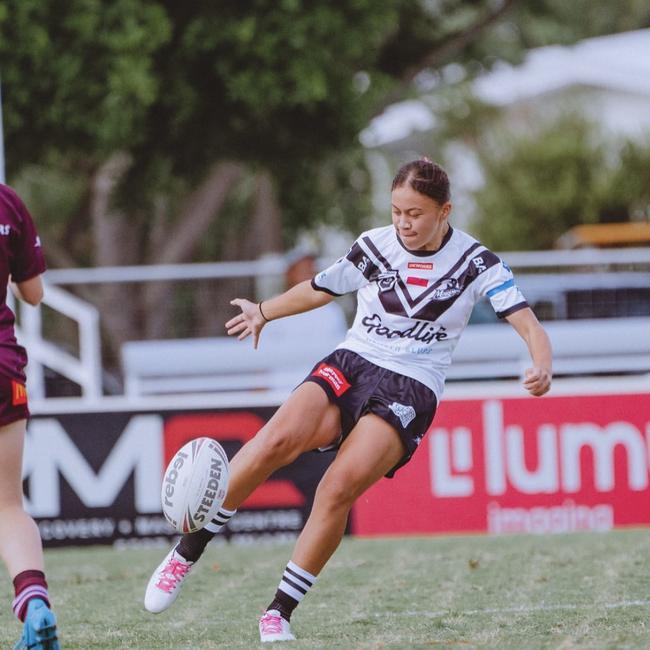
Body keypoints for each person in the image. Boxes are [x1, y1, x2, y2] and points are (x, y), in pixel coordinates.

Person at [144, 159, 552, 643]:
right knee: (274, 440)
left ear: (446, 211)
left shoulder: (476, 262)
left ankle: (278, 612)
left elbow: (526, 320)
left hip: (411, 385)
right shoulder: (373, 246)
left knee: (336, 489)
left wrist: (541, 363)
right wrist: (263, 312)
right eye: (397, 210)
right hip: (353, 361)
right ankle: (186, 552)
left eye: (416, 214)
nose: (404, 223)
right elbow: (319, 289)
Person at [0, 184, 60, 649]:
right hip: (3, 368)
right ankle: (35, 607)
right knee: (7, 506)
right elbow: (34, 294)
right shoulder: (8, 201)